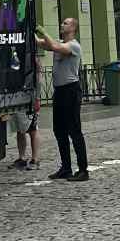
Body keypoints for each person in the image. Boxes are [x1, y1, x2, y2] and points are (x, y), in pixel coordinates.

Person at [38, 17, 88, 180]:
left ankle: (83, 170)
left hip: (71, 91)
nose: (62, 24)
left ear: (73, 28)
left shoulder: (74, 46)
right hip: (59, 91)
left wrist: (44, 32)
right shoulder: (60, 43)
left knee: (74, 130)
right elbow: (41, 43)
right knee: (59, 130)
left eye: (65, 23)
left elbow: (54, 46)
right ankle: (66, 168)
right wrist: (29, 29)